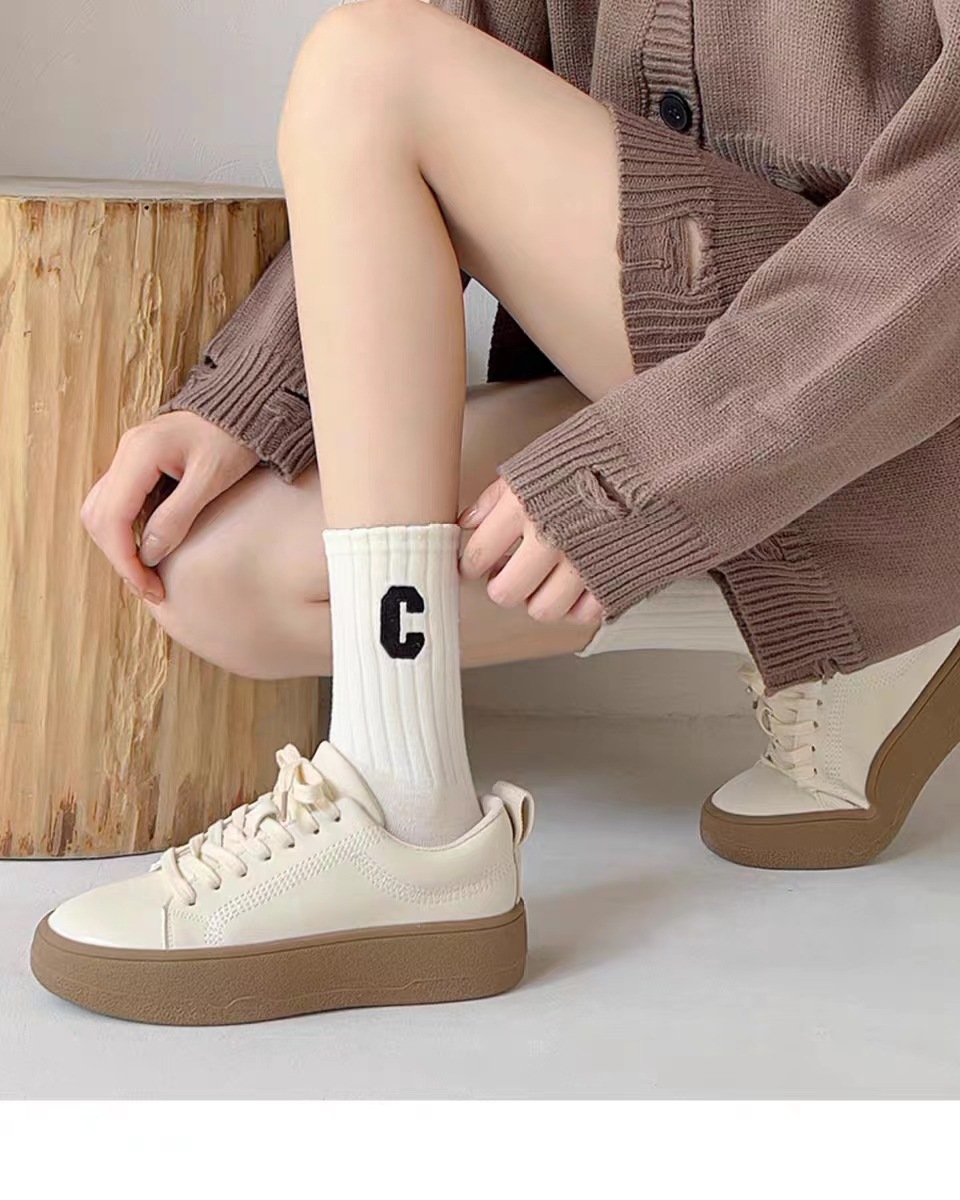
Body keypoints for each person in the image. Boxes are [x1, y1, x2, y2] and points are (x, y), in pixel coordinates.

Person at [29, 0, 960, 1024]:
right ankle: (869, 623)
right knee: (220, 571)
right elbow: (464, 67)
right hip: (708, 363)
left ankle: (403, 814)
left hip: (916, 398)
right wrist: (252, 393)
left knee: (369, 61)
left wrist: (657, 464)